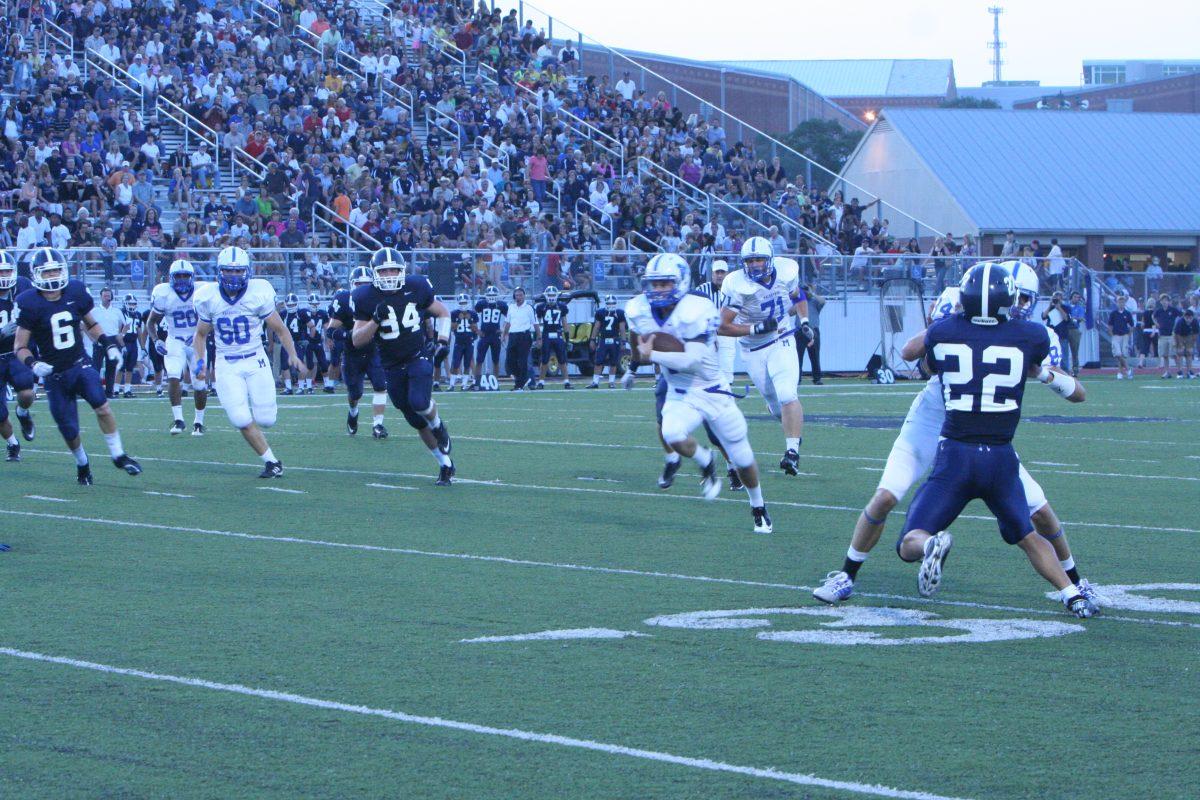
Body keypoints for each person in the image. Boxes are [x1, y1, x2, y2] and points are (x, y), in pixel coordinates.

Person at [813, 261, 1099, 612]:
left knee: (1040, 509)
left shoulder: (1007, 327)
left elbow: (919, 358)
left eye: (1027, 299)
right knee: (886, 496)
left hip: (970, 431)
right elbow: (917, 356)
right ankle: (846, 575)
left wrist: (953, 326)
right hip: (938, 421)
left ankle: (1075, 581)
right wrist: (950, 322)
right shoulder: (1025, 332)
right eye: (1019, 298)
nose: (1023, 306)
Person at [626, 253, 772, 533]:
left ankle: (758, 505)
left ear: (680, 282)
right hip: (680, 393)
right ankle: (706, 461)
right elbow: (637, 338)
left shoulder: (697, 309)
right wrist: (634, 363)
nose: (657, 290)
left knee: (742, 457)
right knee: (671, 433)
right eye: (654, 284)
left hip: (713, 390)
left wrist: (650, 354)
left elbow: (689, 360)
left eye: (664, 283)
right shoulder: (638, 308)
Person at [14, 248, 142, 484]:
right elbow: (20, 346)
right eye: (47, 272)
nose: (52, 276)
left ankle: (118, 454)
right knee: (69, 430)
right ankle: (83, 464)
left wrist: (108, 344)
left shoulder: (75, 290)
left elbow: (91, 324)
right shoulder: (29, 303)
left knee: (102, 406)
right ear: (36, 274)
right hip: (54, 374)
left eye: (55, 271)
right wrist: (33, 364)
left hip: (79, 364)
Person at [193, 247, 305, 478]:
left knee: (266, 419)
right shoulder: (208, 297)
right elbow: (200, 334)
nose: (233, 276)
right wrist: (200, 361)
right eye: (228, 271)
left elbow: (281, 329)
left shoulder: (258, 292)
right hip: (226, 363)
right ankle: (272, 462)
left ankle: (267, 444)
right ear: (219, 271)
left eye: (238, 271)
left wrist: (292, 353)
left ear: (247, 271)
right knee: (240, 418)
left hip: (255, 360)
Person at [351, 248, 455, 485]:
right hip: (390, 364)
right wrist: (375, 321)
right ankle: (445, 464)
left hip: (418, 355)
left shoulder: (417, 286)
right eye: (384, 270)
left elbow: (442, 312)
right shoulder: (364, 296)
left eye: (394, 270)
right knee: (415, 420)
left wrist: (443, 340)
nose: (389, 275)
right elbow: (357, 340)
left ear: (403, 271)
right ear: (375, 273)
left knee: (419, 402)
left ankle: (439, 427)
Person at [719, 236, 812, 475]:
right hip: (752, 348)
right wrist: (754, 329)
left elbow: (797, 295)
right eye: (750, 261)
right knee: (773, 401)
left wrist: (804, 321)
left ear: (770, 259)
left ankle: (792, 452)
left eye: (760, 259)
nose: (756, 265)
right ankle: (793, 432)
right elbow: (722, 326)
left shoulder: (787, 270)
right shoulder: (736, 284)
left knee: (787, 393)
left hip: (782, 336)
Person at [147, 259, 208, 436]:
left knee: (199, 383)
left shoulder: (202, 291)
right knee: (173, 375)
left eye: (185, 276)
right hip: (174, 339)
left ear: (192, 277)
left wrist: (202, 335)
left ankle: (198, 422)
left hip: (196, 341)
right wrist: (156, 340)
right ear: (170, 278)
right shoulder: (163, 293)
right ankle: (179, 420)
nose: (182, 279)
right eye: (178, 276)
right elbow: (151, 322)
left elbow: (211, 318)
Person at [326, 266, 388, 438]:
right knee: (355, 393)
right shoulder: (344, 299)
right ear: (352, 284)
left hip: (374, 350)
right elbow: (330, 331)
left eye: (366, 284)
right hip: (352, 353)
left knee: (381, 385)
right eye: (359, 284)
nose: (362, 287)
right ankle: (353, 412)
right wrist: (349, 335)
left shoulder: (379, 298)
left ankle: (378, 425)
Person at [1, 250, 37, 460]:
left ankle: (23, 413)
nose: (3, 276)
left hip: (16, 352)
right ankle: (13, 443)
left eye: (6, 271)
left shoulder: (23, 286)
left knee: (26, 393)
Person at [693, 259, 735, 384]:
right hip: (707, 333)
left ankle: (727, 396)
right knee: (707, 370)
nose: (720, 275)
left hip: (727, 333)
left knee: (727, 367)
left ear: (727, 274)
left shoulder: (733, 290)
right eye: (717, 272)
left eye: (722, 272)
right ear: (712, 274)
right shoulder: (702, 289)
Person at [90, 287, 127, 398]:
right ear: (101, 297)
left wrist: (121, 334)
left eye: (109, 295)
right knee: (96, 367)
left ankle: (109, 392)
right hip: (100, 339)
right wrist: (92, 338)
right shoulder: (95, 311)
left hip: (112, 340)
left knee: (111, 368)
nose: (107, 297)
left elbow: (125, 324)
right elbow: (85, 324)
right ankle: (95, 392)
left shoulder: (117, 311)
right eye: (105, 295)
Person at [534, 286, 572, 389]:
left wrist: (567, 339)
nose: (551, 297)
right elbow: (537, 323)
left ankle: (566, 381)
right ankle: (541, 382)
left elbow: (564, 323)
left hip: (558, 334)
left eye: (552, 295)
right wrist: (537, 338)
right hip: (546, 335)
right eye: (549, 295)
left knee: (562, 359)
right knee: (544, 359)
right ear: (546, 296)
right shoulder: (541, 307)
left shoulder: (561, 307)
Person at [472, 286, 508, 391]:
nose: (492, 297)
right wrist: (477, 331)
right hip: (484, 335)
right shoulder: (481, 304)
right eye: (490, 295)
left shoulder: (501, 305)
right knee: (479, 360)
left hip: (495, 336)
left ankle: (495, 382)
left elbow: (509, 317)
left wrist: (503, 330)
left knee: (495, 360)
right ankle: (477, 382)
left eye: (493, 295)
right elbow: (472, 316)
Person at [588, 294, 626, 389]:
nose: (611, 305)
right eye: (609, 303)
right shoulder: (601, 312)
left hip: (614, 339)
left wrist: (624, 341)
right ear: (605, 303)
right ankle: (595, 382)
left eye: (612, 303)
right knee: (599, 361)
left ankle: (611, 382)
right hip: (603, 339)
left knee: (613, 362)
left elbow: (622, 329)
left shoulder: (620, 313)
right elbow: (596, 327)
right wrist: (592, 339)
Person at [280, 293, 310, 394]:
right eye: (289, 305)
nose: (291, 306)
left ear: (297, 304)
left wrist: (308, 338)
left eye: (293, 305)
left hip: (298, 342)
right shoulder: (283, 313)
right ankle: (288, 388)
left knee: (299, 365)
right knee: (284, 366)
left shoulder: (302, 313)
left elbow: (311, 326)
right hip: (286, 342)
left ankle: (301, 387)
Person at [797, 282, 826, 385]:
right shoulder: (798, 301)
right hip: (800, 330)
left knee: (814, 356)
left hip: (813, 330)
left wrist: (811, 293)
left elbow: (823, 301)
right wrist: (798, 299)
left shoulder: (814, 301)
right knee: (798, 357)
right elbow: (790, 312)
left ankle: (817, 378)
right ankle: (797, 379)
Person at [448, 293, 478, 390]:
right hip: (459, 341)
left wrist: (470, 321)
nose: (463, 304)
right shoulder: (454, 313)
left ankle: (464, 385)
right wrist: (458, 320)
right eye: (461, 302)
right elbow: (452, 328)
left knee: (467, 363)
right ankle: (452, 384)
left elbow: (475, 329)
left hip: (469, 341)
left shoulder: (473, 313)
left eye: (465, 302)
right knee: (455, 363)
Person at [304, 292, 332, 393]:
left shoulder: (323, 314)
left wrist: (328, 340)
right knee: (310, 365)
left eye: (316, 304)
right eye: (312, 304)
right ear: (309, 304)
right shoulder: (304, 314)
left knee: (324, 364)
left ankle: (327, 385)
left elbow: (326, 328)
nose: (314, 306)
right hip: (308, 342)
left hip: (318, 342)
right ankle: (309, 387)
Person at [118, 294, 143, 397]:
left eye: (134, 304)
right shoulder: (121, 313)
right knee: (120, 367)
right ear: (125, 303)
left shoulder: (138, 314)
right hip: (123, 342)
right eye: (130, 303)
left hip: (133, 343)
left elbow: (139, 330)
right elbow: (118, 328)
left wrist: (143, 347)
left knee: (130, 367)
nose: (132, 305)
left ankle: (127, 390)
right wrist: (121, 343)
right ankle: (115, 389)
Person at [1153, 294, 1182, 379]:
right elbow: (1153, 316)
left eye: (1166, 300)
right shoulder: (1159, 311)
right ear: (1161, 301)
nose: (1164, 302)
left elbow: (1181, 316)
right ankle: (1167, 372)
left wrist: (1176, 327)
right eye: (1163, 300)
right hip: (1162, 335)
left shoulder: (1173, 310)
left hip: (1171, 335)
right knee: (1165, 355)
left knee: (1174, 354)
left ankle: (1179, 371)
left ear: (1168, 301)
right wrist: (1156, 323)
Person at [1174, 308, 1198, 379]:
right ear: (1184, 317)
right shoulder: (1180, 322)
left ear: (1192, 317)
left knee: (1189, 352)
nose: (1188, 320)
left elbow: (1196, 333)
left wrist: (1192, 343)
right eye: (1187, 318)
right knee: (1180, 352)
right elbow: (1177, 334)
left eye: (1190, 318)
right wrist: (1180, 344)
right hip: (1179, 336)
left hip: (1189, 336)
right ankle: (1180, 371)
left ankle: (1189, 371)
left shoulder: (1195, 322)